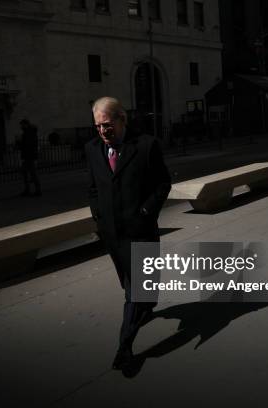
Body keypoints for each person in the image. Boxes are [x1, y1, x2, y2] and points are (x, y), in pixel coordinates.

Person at [85, 97, 171, 370]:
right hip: (112, 234)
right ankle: (144, 307)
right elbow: (94, 187)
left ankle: (125, 348)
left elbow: (163, 183)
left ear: (123, 119)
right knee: (132, 287)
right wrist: (98, 215)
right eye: (98, 126)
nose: (103, 132)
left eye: (107, 125)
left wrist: (146, 212)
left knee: (135, 291)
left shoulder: (146, 146)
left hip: (140, 231)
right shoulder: (92, 149)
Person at [19, 119, 41, 196]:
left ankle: (37, 190)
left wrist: (20, 144)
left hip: (30, 156)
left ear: (26, 124)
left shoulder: (29, 133)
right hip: (29, 156)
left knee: (32, 174)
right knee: (27, 173)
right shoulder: (29, 132)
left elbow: (28, 145)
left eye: (22, 125)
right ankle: (29, 189)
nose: (21, 126)